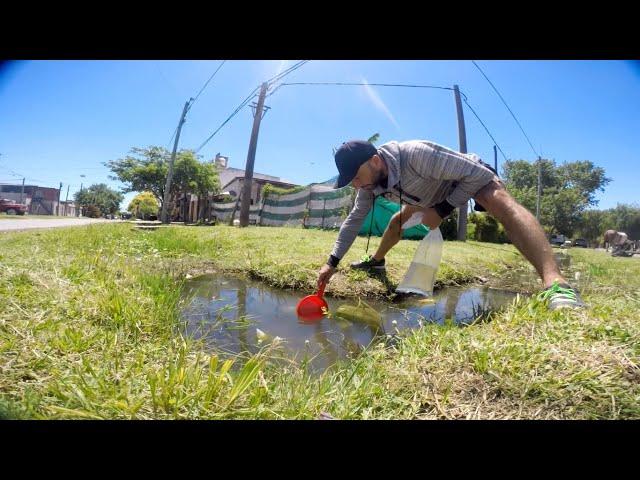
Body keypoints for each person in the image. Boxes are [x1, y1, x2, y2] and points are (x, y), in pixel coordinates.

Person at [317, 139, 586, 310]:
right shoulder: (368, 183)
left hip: (466, 178)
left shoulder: (416, 155)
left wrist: (443, 209)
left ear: (375, 161)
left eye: (355, 176)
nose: (355, 184)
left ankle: (556, 284)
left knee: (501, 203)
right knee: (397, 221)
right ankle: (376, 261)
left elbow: (478, 174)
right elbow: (354, 220)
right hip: (427, 194)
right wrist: (332, 262)